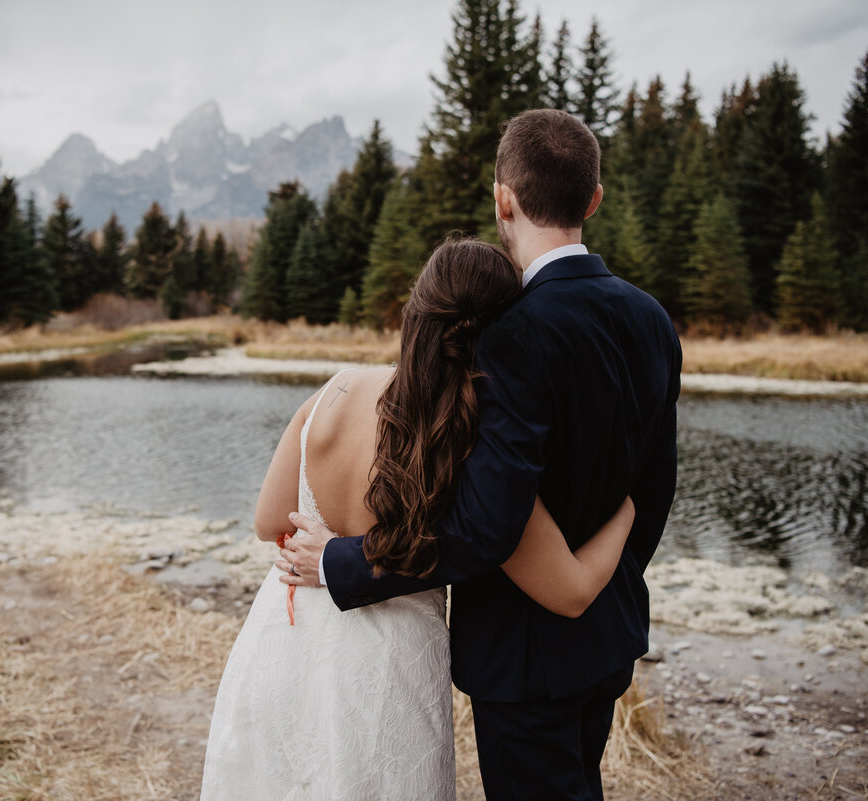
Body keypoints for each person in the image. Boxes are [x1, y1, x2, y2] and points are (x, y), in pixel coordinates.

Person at [282, 109, 682, 801]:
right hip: (609, 636)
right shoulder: (651, 317)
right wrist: (598, 584)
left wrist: (337, 560)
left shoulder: (510, 336)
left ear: (504, 199)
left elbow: (481, 526)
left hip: (526, 663)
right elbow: (655, 486)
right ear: (593, 200)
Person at [200, 238, 638, 801]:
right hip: (385, 666)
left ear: (417, 308)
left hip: (285, 638)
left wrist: (324, 546)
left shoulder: (335, 389)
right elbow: (568, 588)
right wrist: (628, 510)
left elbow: (268, 522)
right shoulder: (463, 440)